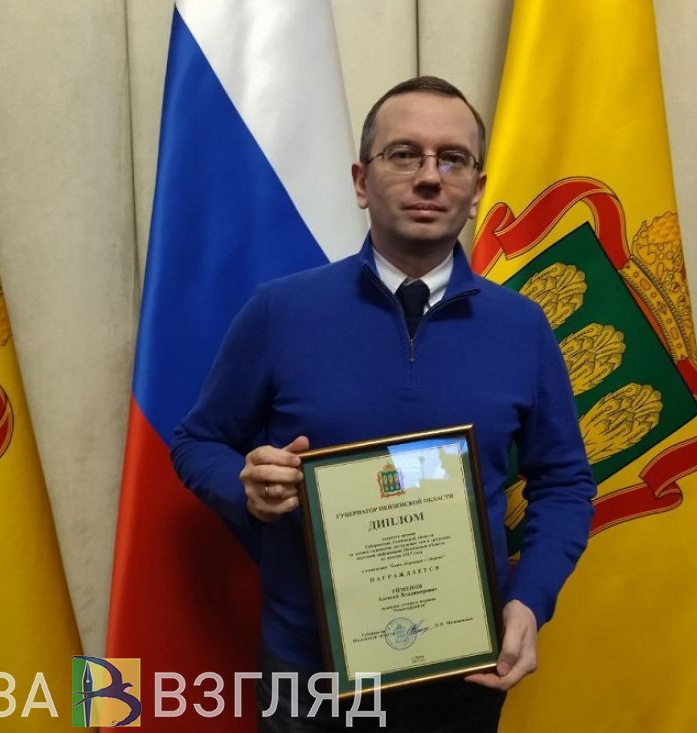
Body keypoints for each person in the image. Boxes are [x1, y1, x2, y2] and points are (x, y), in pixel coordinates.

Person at [172, 76, 595, 732]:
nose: (429, 177)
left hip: (463, 677)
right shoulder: (280, 311)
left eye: (452, 159)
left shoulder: (523, 327)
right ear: (361, 181)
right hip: (309, 677)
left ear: (476, 189)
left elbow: (565, 482)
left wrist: (529, 600)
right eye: (403, 154)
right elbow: (197, 441)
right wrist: (244, 485)